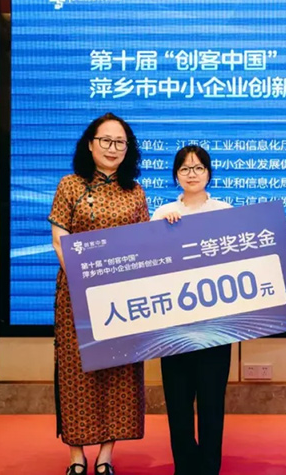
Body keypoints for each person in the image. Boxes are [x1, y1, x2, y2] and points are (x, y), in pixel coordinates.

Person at [49, 113, 149, 475]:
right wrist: (85, 283)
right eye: (105, 140)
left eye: (120, 142)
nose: (112, 148)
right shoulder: (70, 185)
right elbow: (60, 239)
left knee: (118, 373)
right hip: (76, 297)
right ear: (90, 144)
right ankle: (76, 455)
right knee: (75, 372)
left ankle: (106, 454)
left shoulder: (135, 191)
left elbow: (145, 244)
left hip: (121, 298)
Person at [152, 145, 232, 475]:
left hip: (216, 325)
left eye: (198, 168)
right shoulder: (163, 213)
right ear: (176, 176)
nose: (192, 174)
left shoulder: (225, 212)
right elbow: (150, 264)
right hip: (173, 326)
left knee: (212, 402)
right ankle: (185, 466)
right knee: (178, 401)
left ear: (209, 173)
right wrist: (162, 231)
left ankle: (210, 467)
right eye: (185, 169)